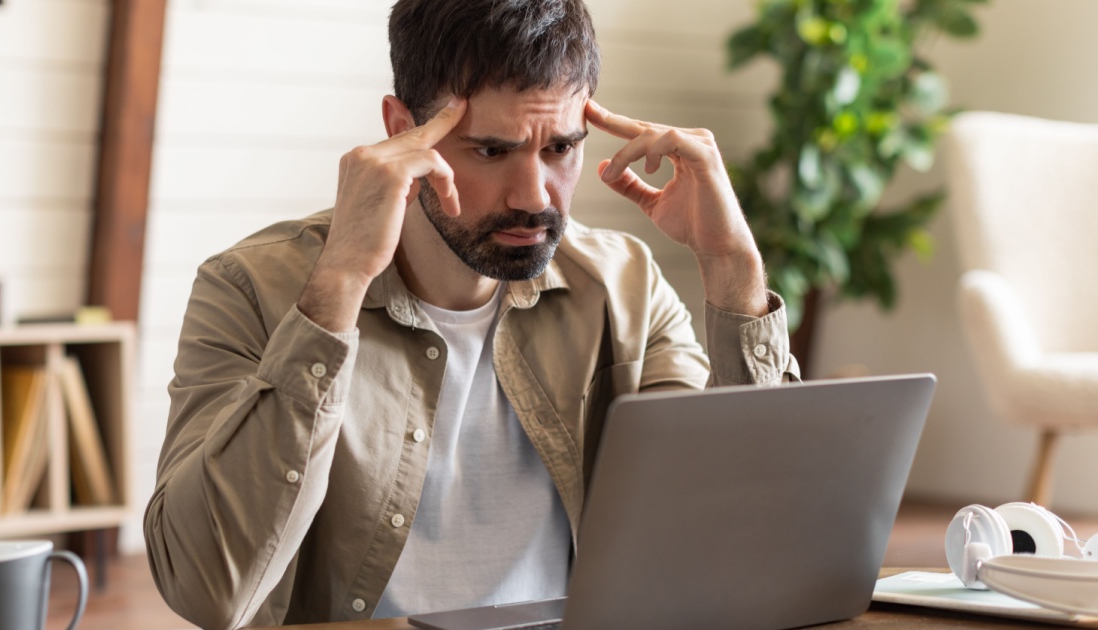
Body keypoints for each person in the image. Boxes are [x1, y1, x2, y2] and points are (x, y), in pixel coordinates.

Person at [145, 0, 799, 628]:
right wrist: (337, 289)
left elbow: (730, 532)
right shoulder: (248, 287)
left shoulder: (622, 285)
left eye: (560, 148)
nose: (534, 196)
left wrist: (733, 265)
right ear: (402, 131)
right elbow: (208, 591)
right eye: (491, 151)